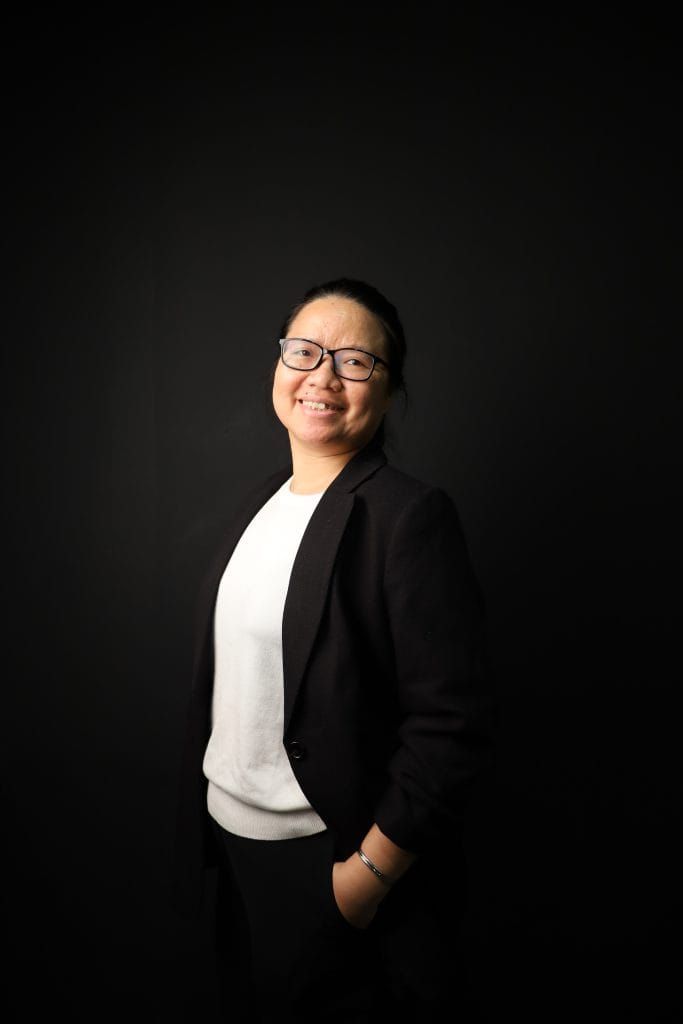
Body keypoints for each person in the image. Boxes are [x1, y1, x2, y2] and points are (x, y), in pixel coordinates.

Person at [170, 278, 493, 1022]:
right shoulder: (260, 503)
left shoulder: (407, 517)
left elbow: (453, 725)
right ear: (278, 364)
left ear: (390, 389)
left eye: (354, 361)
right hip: (229, 851)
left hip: (328, 864)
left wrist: (365, 878)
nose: (322, 375)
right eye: (304, 351)